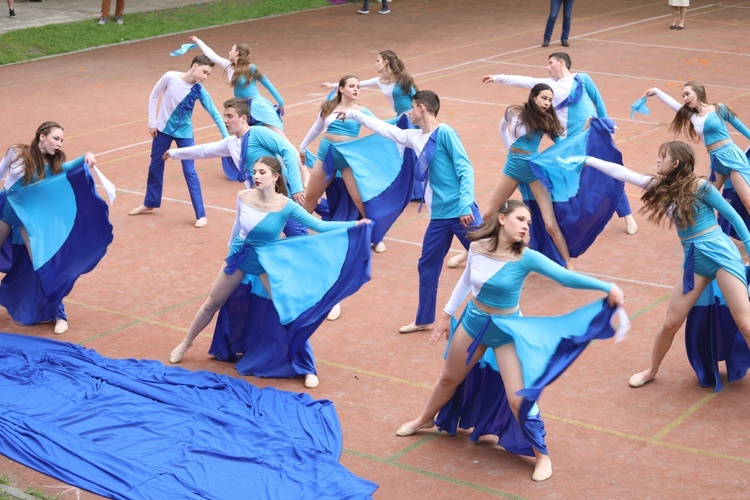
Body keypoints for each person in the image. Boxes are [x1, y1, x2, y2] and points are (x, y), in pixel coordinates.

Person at [394, 200, 624, 482]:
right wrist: (445, 315)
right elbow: (466, 281)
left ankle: (542, 455)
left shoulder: (526, 257)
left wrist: (607, 287)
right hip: (472, 322)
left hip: (507, 331)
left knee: (518, 399)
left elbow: (565, 277)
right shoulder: (477, 246)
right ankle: (426, 418)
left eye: (528, 221)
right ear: (502, 219)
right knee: (447, 379)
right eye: (521, 219)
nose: (527, 225)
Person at [168, 156, 370, 389]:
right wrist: (229, 251)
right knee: (212, 303)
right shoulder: (243, 196)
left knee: (287, 313)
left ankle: (306, 365)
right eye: (254, 172)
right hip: (240, 257)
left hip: (266, 263)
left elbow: (320, 226)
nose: (256, 176)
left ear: (275, 177)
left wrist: (355, 225)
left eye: (262, 172)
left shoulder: (286, 206)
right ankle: (186, 343)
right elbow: (238, 226)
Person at [581, 141, 750, 388]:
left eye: (663, 156)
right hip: (694, 260)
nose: (658, 161)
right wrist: (586, 160)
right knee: (671, 322)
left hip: (721, 255)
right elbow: (623, 172)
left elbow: (732, 216)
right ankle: (651, 370)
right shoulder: (661, 187)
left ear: (676, 163)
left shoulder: (701, 186)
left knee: (745, 322)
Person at [342, 90, 482, 333]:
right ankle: (424, 318)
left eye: (412, 107)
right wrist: (355, 114)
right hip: (439, 216)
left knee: (488, 260)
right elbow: (386, 130)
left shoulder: (445, 133)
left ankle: (502, 313)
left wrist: (464, 203)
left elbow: (465, 169)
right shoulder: (415, 137)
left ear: (422, 108)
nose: (408, 112)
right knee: (427, 265)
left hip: (462, 212)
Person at [0, 121, 105, 335]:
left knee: (42, 263)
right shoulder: (16, 152)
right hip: (6, 210)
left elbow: (69, 168)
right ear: (41, 136)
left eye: (62, 140)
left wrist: (86, 156)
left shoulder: (53, 164)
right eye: (56, 138)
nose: (59, 144)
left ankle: (59, 314)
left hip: (27, 220)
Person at [163, 97, 307, 236]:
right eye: (224, 116)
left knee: (297, 235)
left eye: (230, 116)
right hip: (256, 197)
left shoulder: (258, 133)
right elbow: (204, 150)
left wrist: (296, 187)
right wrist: (175, 153)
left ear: (243, 118)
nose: (225, 120)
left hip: (278, 193)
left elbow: (287, 150)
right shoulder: (231, 143)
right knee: (248, 236)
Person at [129, 55, 229, 228]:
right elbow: (153, 96)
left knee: (189, 171)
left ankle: (201, 214)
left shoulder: (199, 90)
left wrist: (226, 137)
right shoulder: (170, 77)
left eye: (208, 75)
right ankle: (150, 203)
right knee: (155, 165)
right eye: (204, 72)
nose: (205, 77)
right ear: (195, 66)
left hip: (185, 135)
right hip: (162, 131)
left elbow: (214, 113)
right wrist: (152, 123)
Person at [643, 81, 750, 219]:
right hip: (716, 162)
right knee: (703, 198)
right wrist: (657, 91)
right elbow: (674, 105)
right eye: (683, 96)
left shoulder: (719, 109)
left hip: (732, 157)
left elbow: (741, 128)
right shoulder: (692, 116)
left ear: (698, 92)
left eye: (688, 94)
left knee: (747, 201)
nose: (685, 99)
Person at [322, 50, 417, 123]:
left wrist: (415, 114)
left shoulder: (403, 79)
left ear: (385, 62)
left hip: (412, 115)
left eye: (378, 61)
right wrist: (333, 85)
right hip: (400, 117)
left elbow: (416, 97)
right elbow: (358, 83)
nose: (375, 64)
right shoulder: (379, 81)